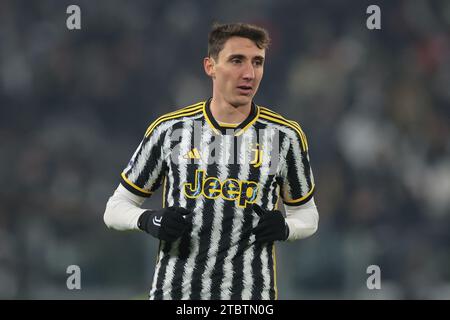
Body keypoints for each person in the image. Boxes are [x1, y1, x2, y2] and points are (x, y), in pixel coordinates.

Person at [104, 22, 319, 300]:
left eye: (257, 62)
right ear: (210, 67)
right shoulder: (171, 130)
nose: (249, 73)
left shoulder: (284, 136)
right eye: (236, 61)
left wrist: (287, 227)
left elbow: (307, 214)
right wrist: (148, 219)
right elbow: (115, 208)